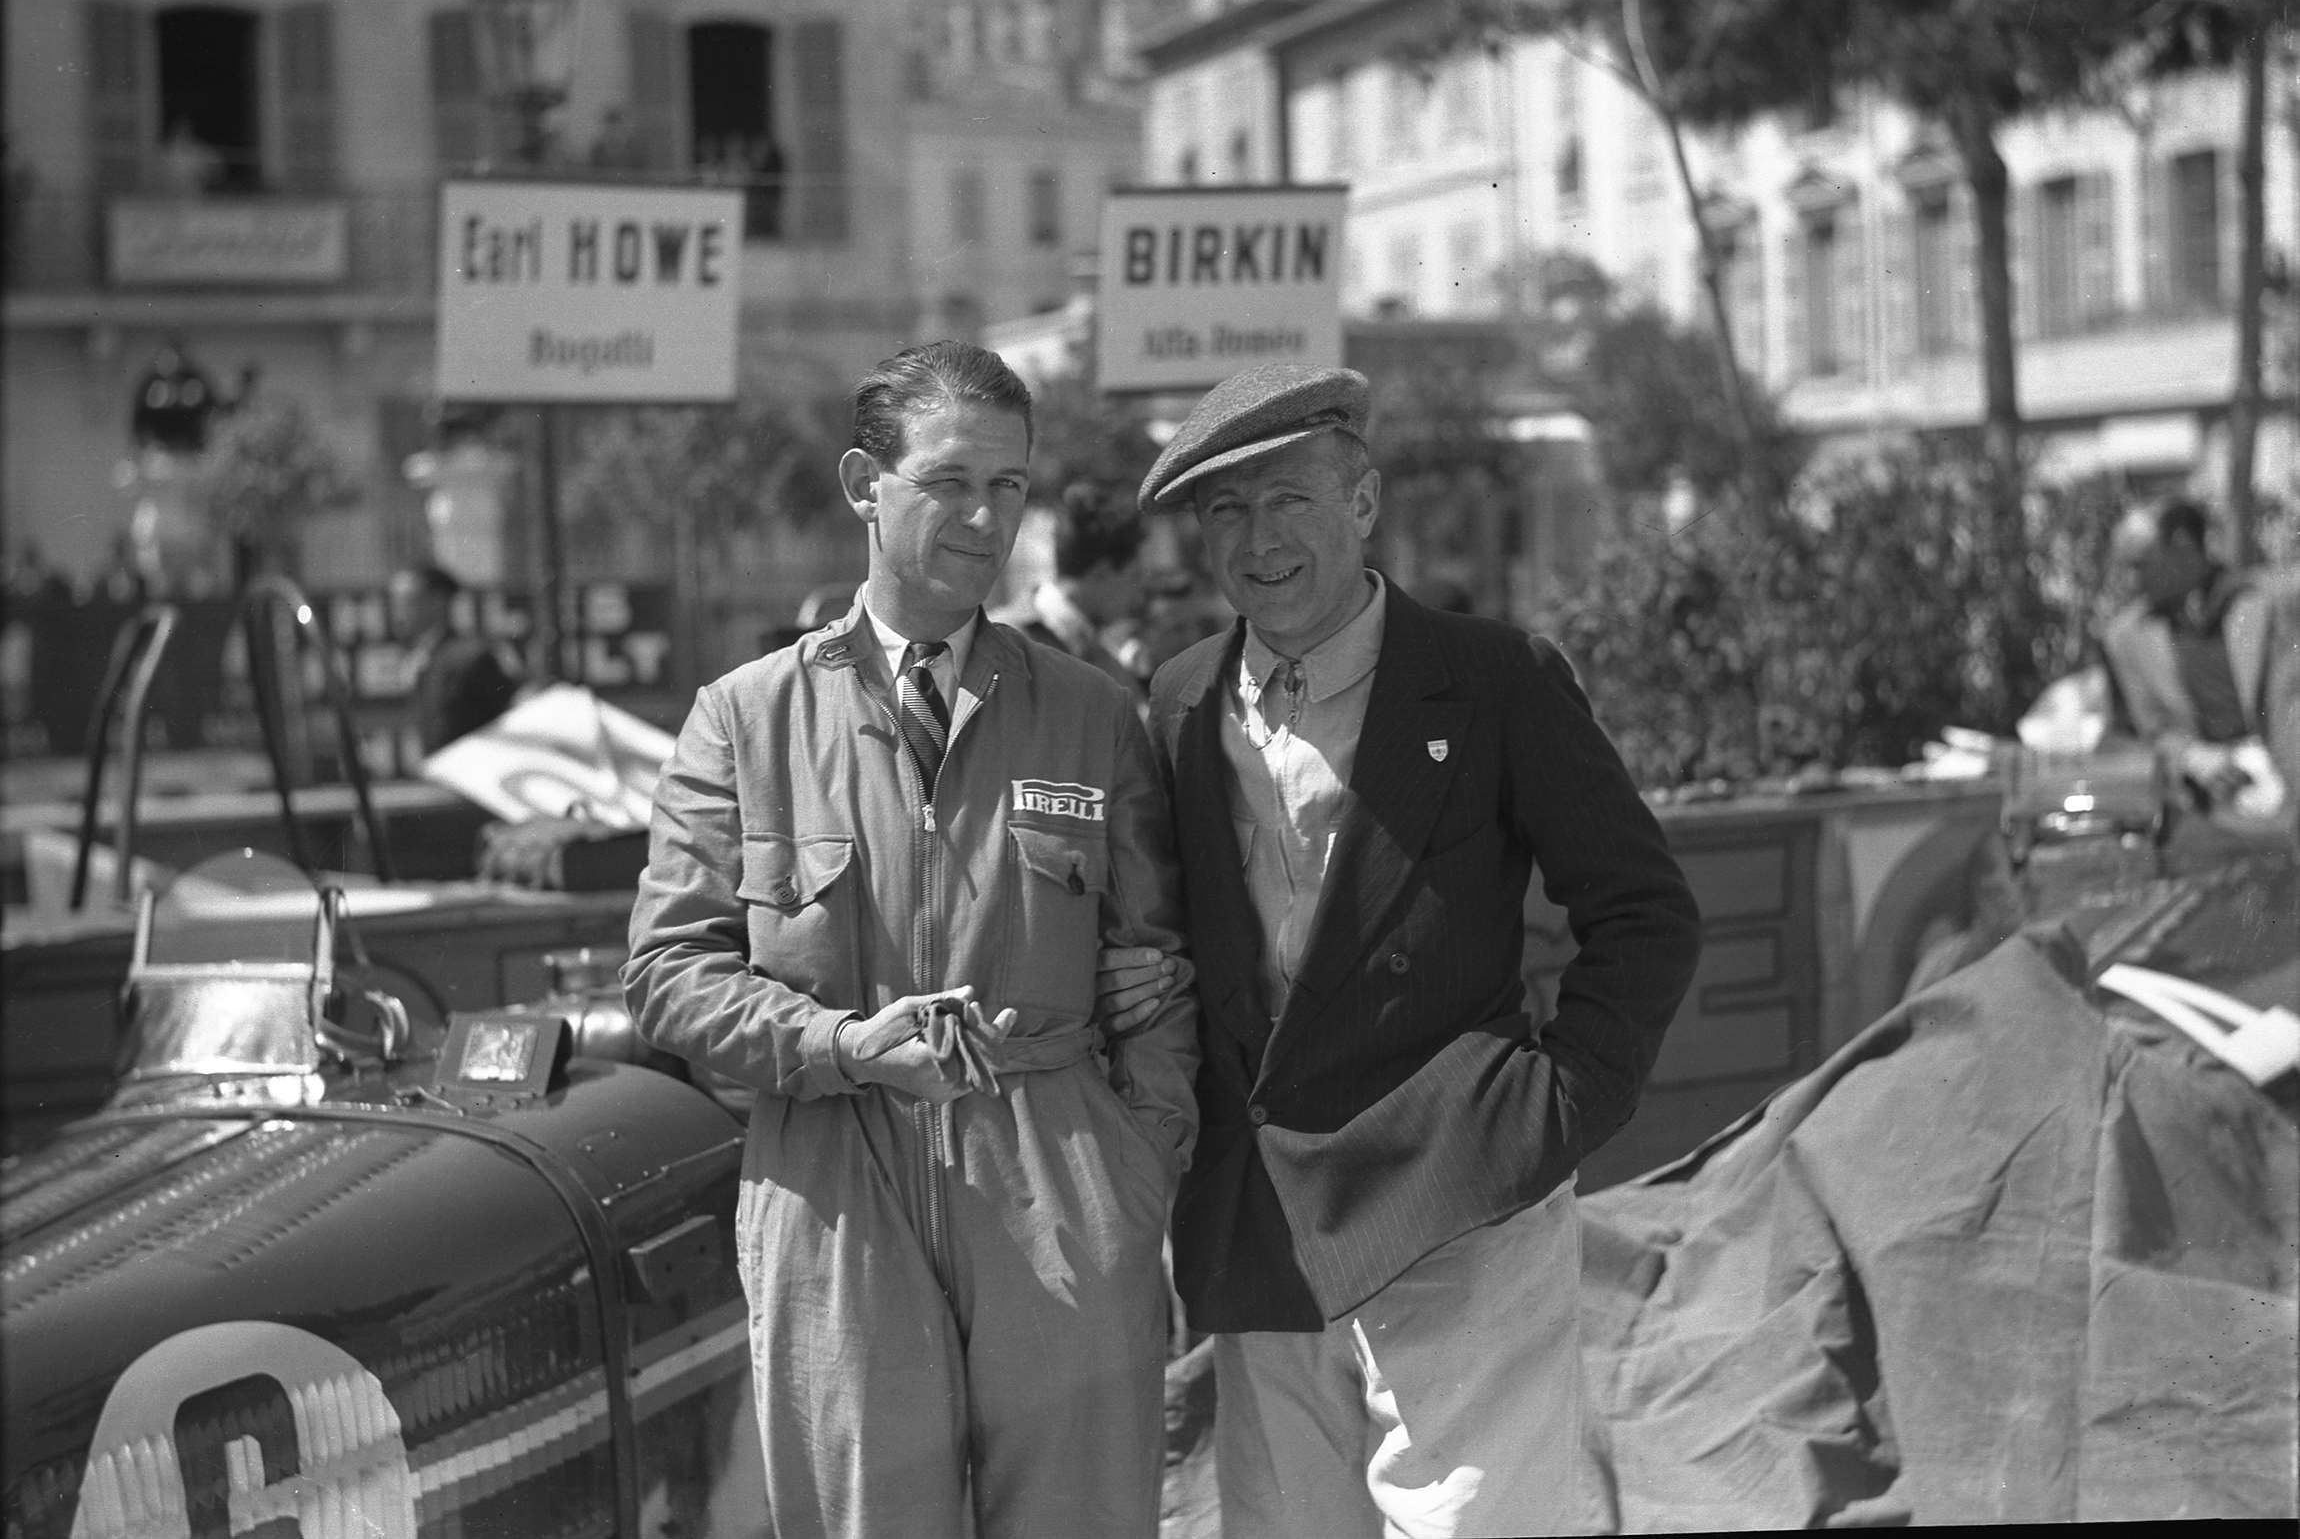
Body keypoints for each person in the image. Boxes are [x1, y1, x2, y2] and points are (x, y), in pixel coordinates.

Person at [1101, 362, 1702, 1538]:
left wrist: (1548, 1108)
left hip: (1454, 1202)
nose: (1256, 541)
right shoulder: (1177, 701)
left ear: (1362, 504)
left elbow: (1643, 912)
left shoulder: (1493, 682)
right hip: (1262, 1226)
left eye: (1288, 502)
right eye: (1225, 511)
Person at [621, 340, 1197, 1539]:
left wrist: (1134, 1167)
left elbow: (1161, 971)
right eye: (946, 482)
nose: (984, 518)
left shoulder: (1092, 715)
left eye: (1007, 486)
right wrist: (839, 1045)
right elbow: (667, 974)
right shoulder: (743, 719)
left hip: (1059, 1188)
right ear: (860, 484)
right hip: (834, 1195)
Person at [2099, 497, 2299, 854]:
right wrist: (2193, 757)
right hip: (2213, 817)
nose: (2132, 581)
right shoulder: (2127, 638)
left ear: (2183, 545)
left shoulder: (2275, 601)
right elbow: (2139, 734)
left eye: (2141, 565)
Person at [1012, 479, 1151, 706]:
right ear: (1103, 572)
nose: (1138, 594)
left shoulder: (1106, 660)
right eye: (1134, 577)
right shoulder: (1002, 643)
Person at [387, 562, 521, 753]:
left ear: (438, 601)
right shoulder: (422, 657)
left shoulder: (470, 658)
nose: (398, 614)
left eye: (408, 602)